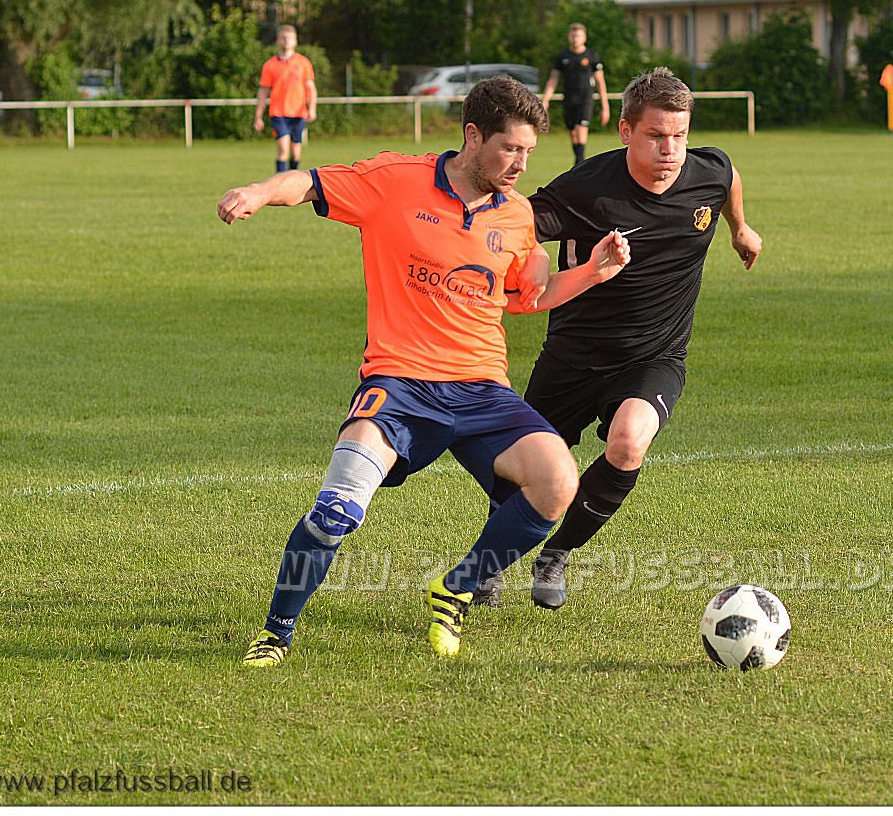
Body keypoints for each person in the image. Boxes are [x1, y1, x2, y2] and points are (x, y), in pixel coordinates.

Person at [217, 77, 631, 664]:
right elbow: (309, 183)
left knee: (558, 482)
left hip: (481, 389)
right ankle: (275, 634)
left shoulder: (517, 215)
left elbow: (526, 296)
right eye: (510, 149)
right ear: (473, 136)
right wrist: (259, 191)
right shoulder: (395, 180)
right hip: (399, 382)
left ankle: (455, 588)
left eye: (529, 151)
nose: (521, 164)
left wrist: (593, 271)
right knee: (336, 511)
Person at [473, 68, 763, 610]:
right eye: (656, 136)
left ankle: (556, 553)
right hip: (573, 353)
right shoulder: (587, 187)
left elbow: (728, 180)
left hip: (654, 355)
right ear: (626, 130)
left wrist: (740, 229)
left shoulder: (707, 171)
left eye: (679, 135)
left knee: (629, 441)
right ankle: (489, 565)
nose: (670, 150)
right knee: (520, 470)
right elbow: (521, 219)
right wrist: (535, 257)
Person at [541, 22, 610, 167]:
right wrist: (546, 100)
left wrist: (605, 106)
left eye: (578, 36)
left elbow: (600, 82)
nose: (575, 39)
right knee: (573, 132)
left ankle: (580, 162)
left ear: (584, 37)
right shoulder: (563, 56)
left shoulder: (591, 56)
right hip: (569, 98)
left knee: (581, 128)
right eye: (573, 36)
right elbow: (553, 79)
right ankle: (578, 161)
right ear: (569, 37)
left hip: (585, 98)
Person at [253, 24, 317, 173]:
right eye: (283, 38)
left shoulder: (304, 63)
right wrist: (258, 116)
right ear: (277, 41)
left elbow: (311, 88)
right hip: (279, 113)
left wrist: (312, 108)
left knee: (295, 153)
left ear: (296, 41)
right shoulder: (270, 65)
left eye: (290, 38)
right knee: (283, 149)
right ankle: (280, 181)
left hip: (299, 113)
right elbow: (263, 91)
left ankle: (291, 178)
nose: (286, 41)